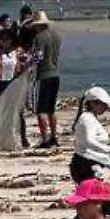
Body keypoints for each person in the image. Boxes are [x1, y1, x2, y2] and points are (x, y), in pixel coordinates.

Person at [28, 12, 64, 149]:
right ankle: (54, 137)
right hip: (56, 74)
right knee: (51, 109)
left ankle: (45, 139)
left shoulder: (39, 37)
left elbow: (39, 56)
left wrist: (28, 63)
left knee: (41, 110)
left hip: (44, 75)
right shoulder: (56, 36)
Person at [70, 87, 110, 183]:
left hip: (90, 163)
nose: (107, 107)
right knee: (95, 195)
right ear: (93, 104)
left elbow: (94, 148)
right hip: (86, 164)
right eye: (103, 104)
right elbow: (89, 142)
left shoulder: (90, 118)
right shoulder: (87, 118)